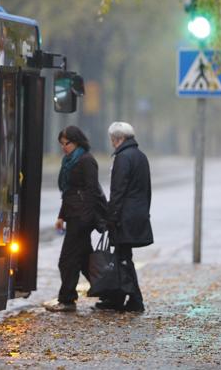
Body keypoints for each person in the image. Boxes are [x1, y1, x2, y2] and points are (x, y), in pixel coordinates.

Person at [46, 126, 105, 312]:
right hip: (73, 215)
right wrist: (61, 216)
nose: (64, 147)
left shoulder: (86, 160)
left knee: (67, 260)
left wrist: (85, 220)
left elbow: (92, 191)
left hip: (82, 219)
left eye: (67, 143)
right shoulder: (69, 161)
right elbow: (69, 191)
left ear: (77, 141)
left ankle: (67, 299)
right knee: (85, 260)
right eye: (61, 143)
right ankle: (110, 292)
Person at [96, 121, 153, 313]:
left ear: (119, 139)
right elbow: (147, 190)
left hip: (124, 217)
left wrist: (111, 218)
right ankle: (117, 298)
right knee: (122, 256)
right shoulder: (141, 156)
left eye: (112, 139)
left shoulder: (122, 158)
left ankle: (136, 300)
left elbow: (118, 191)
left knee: (123, 259)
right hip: (136, 214)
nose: (112, 143)